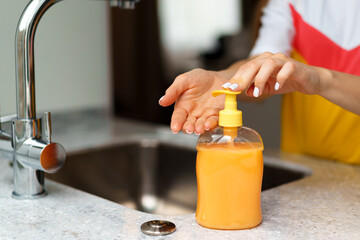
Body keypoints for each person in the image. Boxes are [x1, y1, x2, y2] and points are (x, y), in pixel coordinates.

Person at [158, 0, 360, 165]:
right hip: (306, 166)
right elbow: (262, 67)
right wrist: (221, 79)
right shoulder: (291, 3)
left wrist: (323, 81)